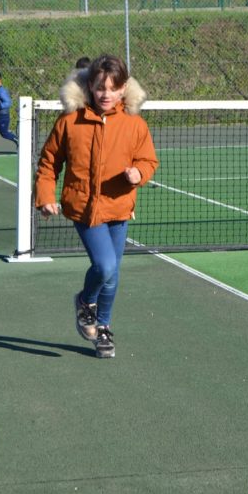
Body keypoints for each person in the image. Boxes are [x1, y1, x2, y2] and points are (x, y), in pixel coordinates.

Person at [34, 55, 158, 359]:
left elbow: (148, 160)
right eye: (100, 87)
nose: (106, 94)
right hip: (83, 207)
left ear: (123, 89)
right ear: (90, 85)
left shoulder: (134, 124)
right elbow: (49, 163)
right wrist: (46, 197)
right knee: (105, 266)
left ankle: (102, 326)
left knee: (113, 275)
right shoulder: (69, 122)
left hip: (119, 206)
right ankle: (85, 301)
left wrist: (139, 173)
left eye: (113, 88)